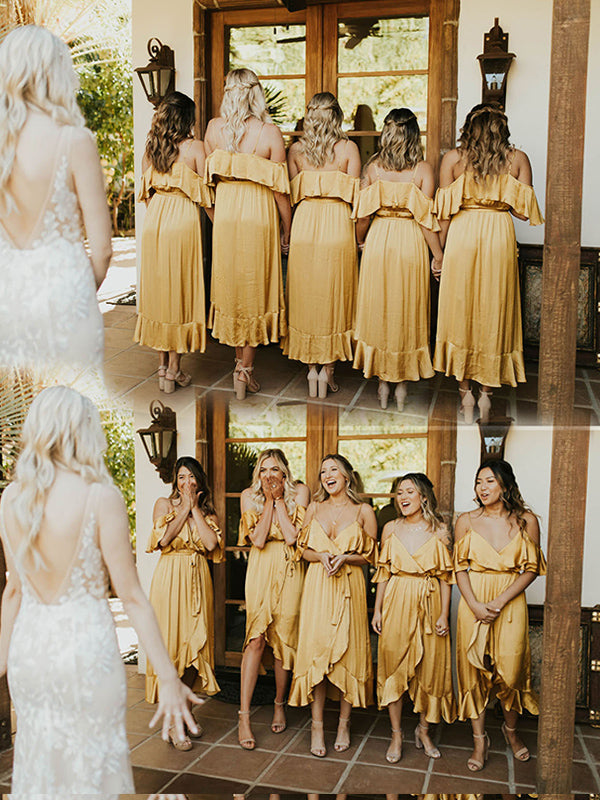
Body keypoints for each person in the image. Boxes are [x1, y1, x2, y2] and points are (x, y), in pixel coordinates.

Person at [0, 387, 200, 794]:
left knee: (42, 764)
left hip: (31, 654)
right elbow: (132, 596)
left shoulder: (11, 498)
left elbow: (14, 591)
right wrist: (168, 676)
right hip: (86, 653)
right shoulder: (100, 496)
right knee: (90, 771)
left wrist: (2, 661)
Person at [0, 25, 111, 372]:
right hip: (67, 301)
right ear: (54, 72)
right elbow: (103, 250)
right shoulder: (75, 140)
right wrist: (79, 292)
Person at [433, 104, 543, 422]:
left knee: (460, 308)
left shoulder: (453, 160)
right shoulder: (517, 159)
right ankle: (486, 395)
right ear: (502, 129)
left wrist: (439, 255)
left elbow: (444, 214)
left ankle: (465, 393)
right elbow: (522, 212)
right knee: (494, 308)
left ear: (469, 129)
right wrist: (501, 194)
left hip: (463, 233)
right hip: (498, 234)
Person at [204, 68, 291, 399]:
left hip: (227, 214)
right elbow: (281, 192)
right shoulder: (270, 133)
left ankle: (239, 364)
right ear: (256, 94)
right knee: (254, 288)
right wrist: (287, 229)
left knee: (232, 288)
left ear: (228, 93)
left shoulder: (213, 129)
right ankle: (245, 371)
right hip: (258, 215)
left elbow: (206, 187)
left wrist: (218, 219)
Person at [453, 459, 545, 771]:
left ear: (505, 484)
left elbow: (532, 568)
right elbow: (459, 568)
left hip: (510, 600)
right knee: (473, 670)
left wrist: (501, 601)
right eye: (479, 482)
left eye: (489, 481)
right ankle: (480, 741)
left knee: (512, 670)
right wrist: (475, 605)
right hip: (473, 601)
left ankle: (511, 731)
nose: (482, 488)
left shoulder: (526, 521)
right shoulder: (466, 520)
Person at [353, 109, 443, 411]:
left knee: (379, 306)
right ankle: (402, 384)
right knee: (407, 307)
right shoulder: (423, 170)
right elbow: (426, 221)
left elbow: (363, 217)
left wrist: (361, 240)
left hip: (379, 238)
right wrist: (438, 256)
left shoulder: (373, 168)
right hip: (410, 241)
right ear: (414, 136)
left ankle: (381, 382)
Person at [289, 454, 377, 757]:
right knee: (317, 651)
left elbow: (372, 556)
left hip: (349, 585)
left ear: (346, 476)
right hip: (318, 584)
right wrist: (321, 556)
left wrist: (346, 558)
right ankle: (316, 726)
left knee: (349, 652)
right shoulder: (313, 508)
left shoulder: (364, 510)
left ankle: (343, 724)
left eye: (334, 470)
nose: (328, 475)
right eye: (323, 471)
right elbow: (302, 550)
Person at [372, 473, 456, 763]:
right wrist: (378, 609)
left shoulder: (440, 530)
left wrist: (444, 614)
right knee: (393, 665)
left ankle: (424, 730)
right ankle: (396, 734)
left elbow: (446, 577)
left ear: (423, 496)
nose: (403, 497)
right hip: (396, 599)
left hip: (429, 601)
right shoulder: (390, 528)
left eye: (409, 491)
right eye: (399, 493)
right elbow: (383, 573)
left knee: (430, 669)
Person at [282, 93, 361, 398]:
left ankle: (310, 367)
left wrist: (287, 233)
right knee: (335, 293)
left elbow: (290, 196)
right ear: (337, 116)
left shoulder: (296, 151)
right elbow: (357, 201)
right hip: (337, 224)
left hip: (305, 223)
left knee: (306, 293)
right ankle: (328, 369)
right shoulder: (348, 149)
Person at [135, 93, 212, 393]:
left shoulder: (151, 150)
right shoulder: (196, 148)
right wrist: (221, 225)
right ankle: (175, 370)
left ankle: (161, 367)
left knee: (159, 292)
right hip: (182, 221)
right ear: (187, 119)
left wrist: (160, 214)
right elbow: (207, 196)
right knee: (179, 290)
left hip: (156, 220)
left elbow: (147, 195)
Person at [145, 456, 223, 749]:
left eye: (191, 477)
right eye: (181, 477)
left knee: (195, 650)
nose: (186, 482)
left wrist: (196, 509)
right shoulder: (163, 505)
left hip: (198, 580)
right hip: (170, 580)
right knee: (172, 650)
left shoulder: (208, 514)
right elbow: (164, 540)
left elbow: (210, 544)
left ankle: (184, 713)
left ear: (199, 481)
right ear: (175, 482)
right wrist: (185, 509)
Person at [237, 449, 310, 749]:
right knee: (256, 639)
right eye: (263, 470)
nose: (269, 475)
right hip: (261, 567)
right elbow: (257, 539)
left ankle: (280, 703)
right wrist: (269, 501)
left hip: (290, 567)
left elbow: (292, 537)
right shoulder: (248, 496)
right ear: (258, 473)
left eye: (275, 469)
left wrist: (280, 500)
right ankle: (244, 716)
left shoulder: (300, 492)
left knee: (284, 640)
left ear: (285, 472)